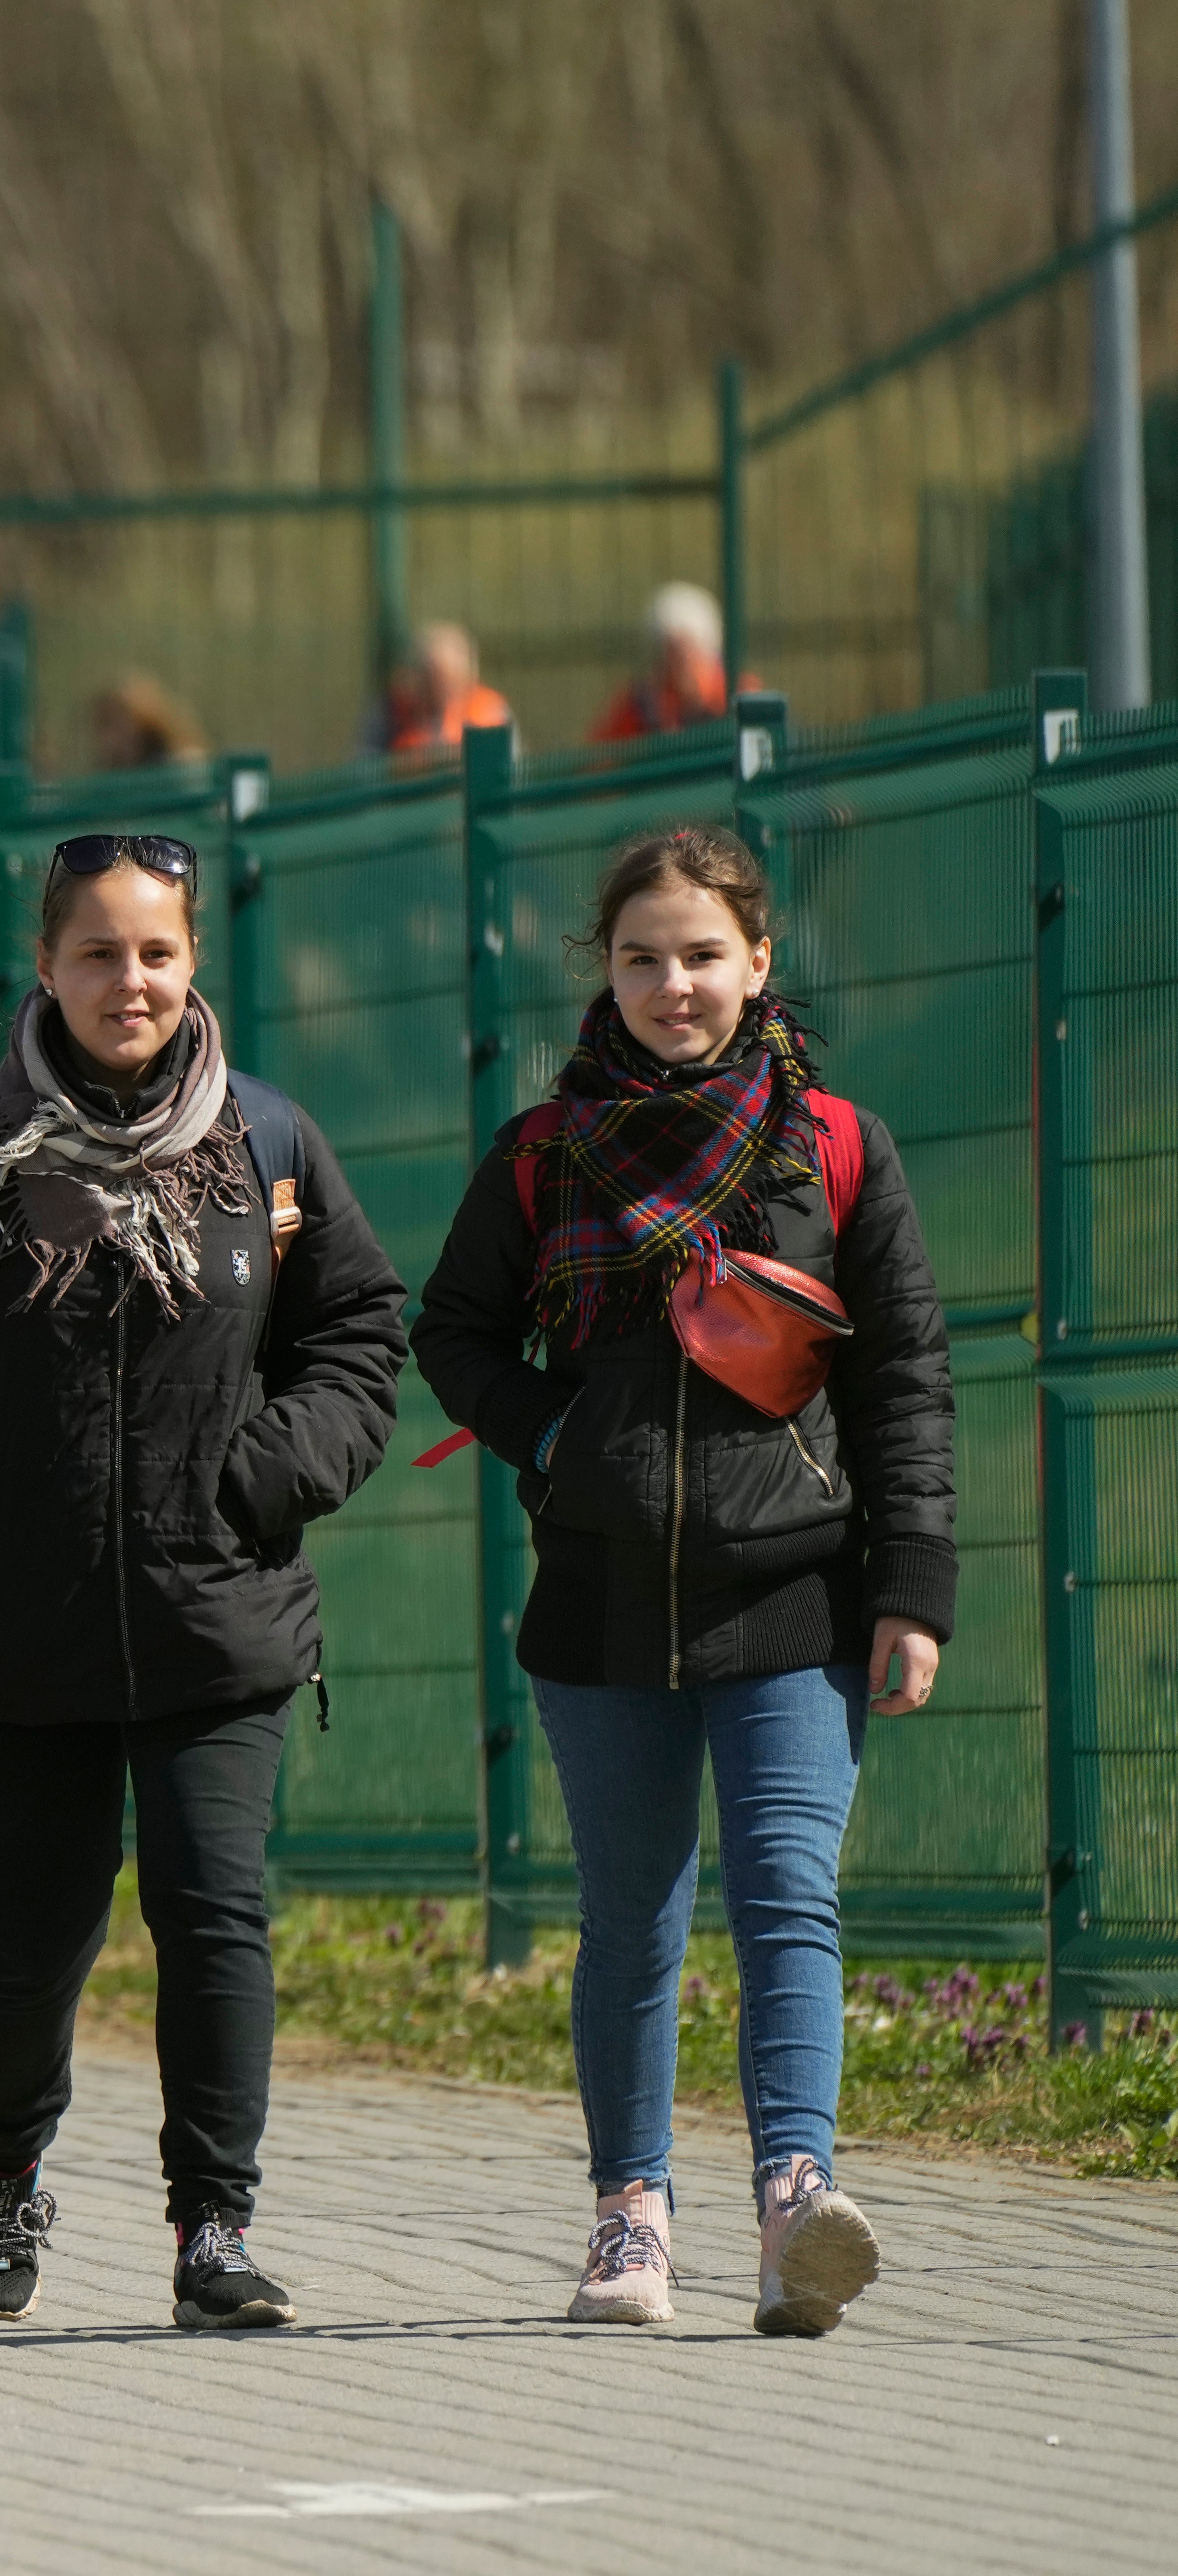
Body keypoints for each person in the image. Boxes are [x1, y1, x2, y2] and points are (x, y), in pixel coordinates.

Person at [0, 831, 408, 2331]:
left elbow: (358, 1334)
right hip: (14, 1620)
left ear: (193, 964)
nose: (130, 981)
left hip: (218, 1604)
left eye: (156, 952)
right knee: (35, 1931)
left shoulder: (267, 1146)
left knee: (212, 1910)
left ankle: (213, 2224)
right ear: (45, 968)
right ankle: (1, 2168)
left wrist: (269, 1471)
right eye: (98, 953)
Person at [411, 825, 953, 2338]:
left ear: (757, 962)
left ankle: (793, 2206)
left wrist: (910, 1587)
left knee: (786, 1900)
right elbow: (448, 1331)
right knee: (631, 1922)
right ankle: (628, 2218)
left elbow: (905, 1379)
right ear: (603, 968)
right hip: (595, 1611)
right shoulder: (540, 1153)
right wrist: (555, 1432)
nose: (672, 985)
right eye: (641, 957)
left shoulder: (832, 1148)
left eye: (702, 955)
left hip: (795, 1597)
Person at [590, 582, 741, 744]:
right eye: (671, 651)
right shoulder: (642, 705)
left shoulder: (738, 695)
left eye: (689, 648)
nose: (681, 662)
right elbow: (601, 754)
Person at [376, 620, 517, 758]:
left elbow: (507, 763)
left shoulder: (491, 712)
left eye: (451, 678)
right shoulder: (391, 712)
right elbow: (370, 761)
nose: (442, 688)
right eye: (432, 678)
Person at [88, 674, 208, 774]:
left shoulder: (176, 761)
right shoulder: (109, 774)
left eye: (121, 722)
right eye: (106, 724)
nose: (112, 737)